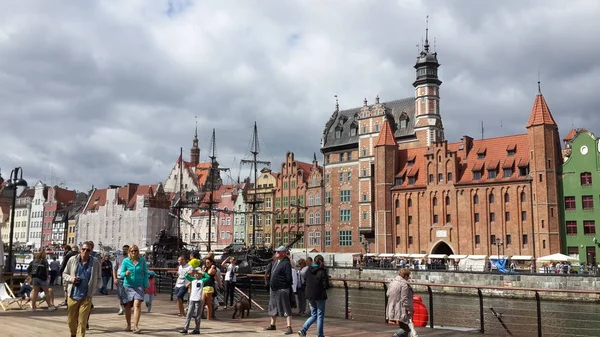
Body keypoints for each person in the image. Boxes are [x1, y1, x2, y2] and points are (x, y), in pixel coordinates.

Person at [63, 241, 101, 337]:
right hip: (73, 294)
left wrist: (94, 289)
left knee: (82, 321)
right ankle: (73, 334)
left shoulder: (95, 262)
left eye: (88, 250)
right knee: (71, 320)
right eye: (83, 249)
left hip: (86, 295)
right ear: (80, 250)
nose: (85, 251)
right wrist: (72, 279)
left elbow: (99, 277)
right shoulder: (73, 259)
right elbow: (64, 274)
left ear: (91, 251)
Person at [120, 244, 149, 334]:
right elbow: (121, 273)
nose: (134, 252)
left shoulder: (142, 260)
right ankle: (128, 325)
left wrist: (145, 285)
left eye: (135, 251)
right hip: (128, 286)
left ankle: (135, 326)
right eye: (132, 251)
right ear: (129, 252)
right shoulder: (125, 261)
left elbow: (145, 273)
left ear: (138, 252)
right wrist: (125, 273)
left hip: (139, 285)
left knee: (137, 305)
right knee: (128, 306)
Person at [265, 246, 294, 335]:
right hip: (274, 289)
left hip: (282, 288)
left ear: (283, 253)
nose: (276, 253)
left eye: (278, 252)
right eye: (276, 251)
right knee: (273, 306)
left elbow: (289, 277)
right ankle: (272, 325)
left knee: (286, 307)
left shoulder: (286, 263)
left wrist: (285, 285)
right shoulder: (275, 262)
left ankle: (289, 327)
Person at [298, 255, 329, 337]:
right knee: (320, 316)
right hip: (320, 295)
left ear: (314, 261)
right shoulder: (322, 270)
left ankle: (303, 330)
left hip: (310, 295)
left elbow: (305, 280)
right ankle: (320, 335)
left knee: (314, 315)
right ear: (322, 261)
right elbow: (326, 285)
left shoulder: (308, 269)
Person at [180, 268, 210, 334]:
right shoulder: (193, 280)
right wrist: (190, 272)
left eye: (198, 274)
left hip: (198, 300)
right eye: (195, 274)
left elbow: (208, 277)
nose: (196, 275)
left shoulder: (202, 280)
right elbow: (186, 276)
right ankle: (185, 328)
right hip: (192, 299)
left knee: (197, 315)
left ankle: (197, 329)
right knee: (189, 314)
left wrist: (202, 272)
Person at [387, 268, 414, 337]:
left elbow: (388, 294)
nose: (409, 278)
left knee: (403, 327)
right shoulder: (404, 285)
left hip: (392, 307)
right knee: (406, 329)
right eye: (408, 276)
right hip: (401, 309)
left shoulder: (393, 282)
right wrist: (409, 309)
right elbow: (404, 299)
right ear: (405, 276)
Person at [113, 245, 130, 315]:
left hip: (128, 278)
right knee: (120, 294)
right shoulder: (118, 258)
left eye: (126, 249)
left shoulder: (130, 258)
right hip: (120, 277)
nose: (124, 250)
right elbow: (114, 268)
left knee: (128, 294)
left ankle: (127, 308)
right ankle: (121, 308)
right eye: (123, 249)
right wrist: (115, 278)